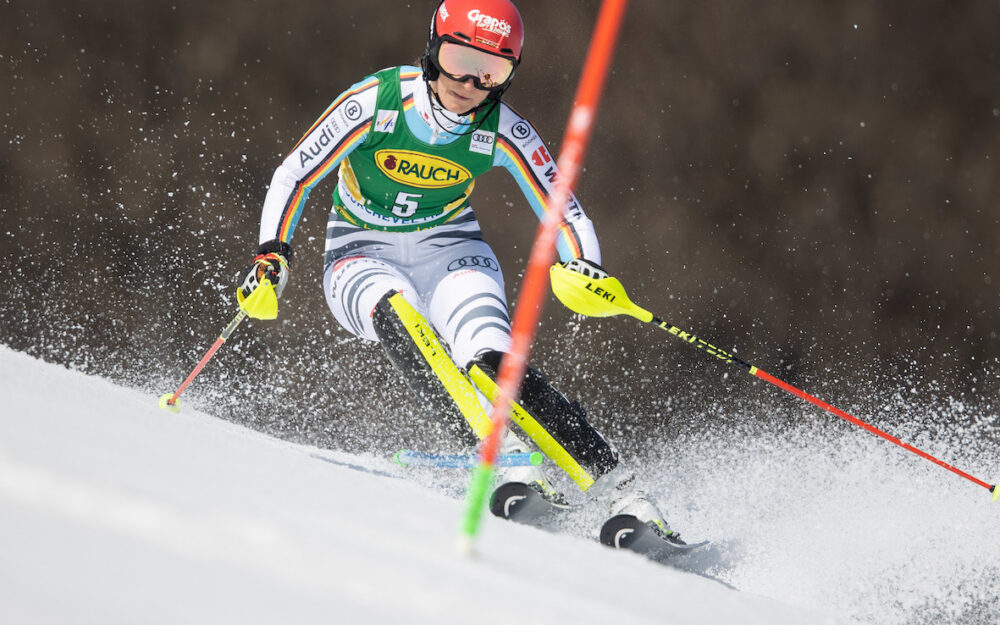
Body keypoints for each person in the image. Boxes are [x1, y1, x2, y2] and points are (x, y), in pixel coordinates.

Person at [238, 0, 683, 543]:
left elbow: (563, 208)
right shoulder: (379, 102)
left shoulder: (501, 128)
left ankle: (627, 495)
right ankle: (505, 456)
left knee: (493, 364)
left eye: (491, 72)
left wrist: (583, 265)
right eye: (457, 59)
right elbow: (295, 174)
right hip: (358, 254)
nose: (469, 82)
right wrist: (273, 254)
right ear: (432, 49)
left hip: (451, 252)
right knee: (400, 318)